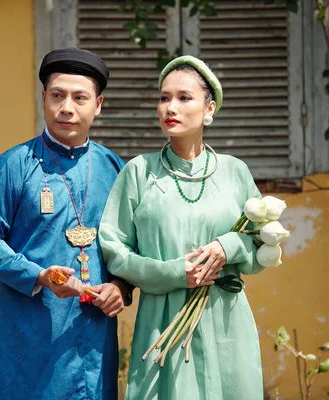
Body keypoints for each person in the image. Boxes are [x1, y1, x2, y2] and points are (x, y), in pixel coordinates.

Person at [0, 47, 134, 400]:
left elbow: (131, 246)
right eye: (57, 95)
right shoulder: (13, 165)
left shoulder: (116, 169)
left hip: (93, 333)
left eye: (80, 97)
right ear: (44, 98)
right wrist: (39, 276)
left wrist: (120, 287)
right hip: (28, 328)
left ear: (98, 105)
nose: (67, 108)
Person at [99, 55, 266, 400]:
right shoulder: (138, 172)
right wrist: (175, 273)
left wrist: (228, 246)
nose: (169, 107)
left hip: (225, 318)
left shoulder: (235, 172)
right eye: (164, 97)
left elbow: (260, 247)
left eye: (183, 98)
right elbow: (115, 251)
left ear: (209, 110)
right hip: (163, 319)